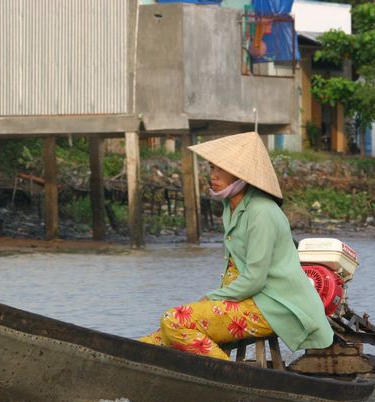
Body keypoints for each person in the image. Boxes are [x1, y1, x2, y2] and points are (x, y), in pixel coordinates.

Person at [140, 132, 333, 360]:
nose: (213, 175)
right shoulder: (230, 207)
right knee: (153, 340)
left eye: (220, 169)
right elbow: (235, 270)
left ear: (242, 174)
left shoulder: (261, 212)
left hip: (274, 305)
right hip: (251, 300)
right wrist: (214, 302)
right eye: (212, 168)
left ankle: (228, 376)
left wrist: (211, 298)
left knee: (173, 320)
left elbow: (254, 279)